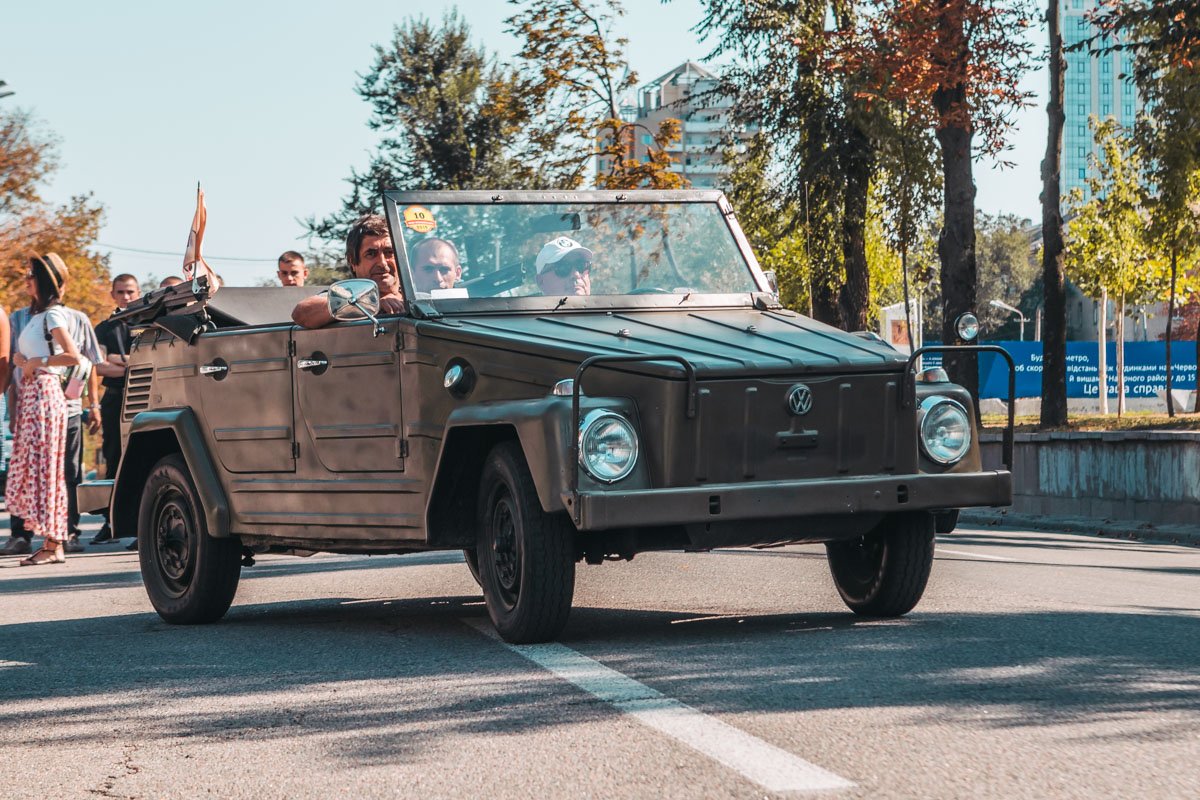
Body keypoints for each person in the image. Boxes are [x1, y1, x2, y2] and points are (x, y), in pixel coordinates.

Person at [1, 258, 101, 557]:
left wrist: (39, 362)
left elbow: (73, 356)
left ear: (45, 282)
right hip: (32, 396)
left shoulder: (54, 316)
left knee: (50, 471)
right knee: (32, 470)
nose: (26, 281)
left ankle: (54, 541)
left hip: (46, 395)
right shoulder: (34, 316)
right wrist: (23, 361)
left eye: (31, 276)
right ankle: (49, 540)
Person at [90, 274, 141, 545]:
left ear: (139, 292)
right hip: (114, 397)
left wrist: (119, 361)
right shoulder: (104, 328)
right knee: (113, 457)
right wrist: (130, 364)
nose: (126, 297)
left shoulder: (148, 324)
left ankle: (141, 525)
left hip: (145, 395)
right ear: (112, 294)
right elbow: (97, 366)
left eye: (131, 291)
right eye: (120, 292)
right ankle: (110, 523)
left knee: (143, 456)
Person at [292, 214, 405, 328]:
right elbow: (302, 313)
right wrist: (370, 303)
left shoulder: (418, 297)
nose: (383, 263)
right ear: (353, 262)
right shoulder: (345, 295)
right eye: (371, 254)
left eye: (389, 252)